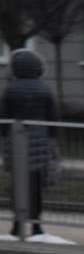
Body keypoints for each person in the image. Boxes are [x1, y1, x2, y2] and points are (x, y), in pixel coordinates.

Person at [1, 49, 59, 239]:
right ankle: (36, 226)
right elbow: (53, 117)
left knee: (17, 186)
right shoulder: (44, 89)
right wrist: (52, 138)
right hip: (39, 143)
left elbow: (3, 117)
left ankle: (17, 225)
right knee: (35, 186)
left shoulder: (11, 89)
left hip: (15, 143)